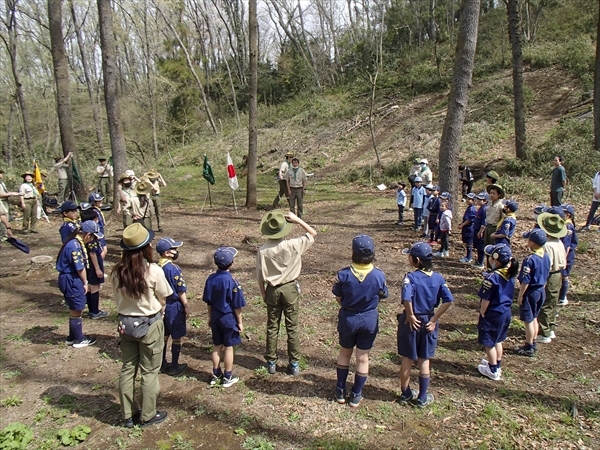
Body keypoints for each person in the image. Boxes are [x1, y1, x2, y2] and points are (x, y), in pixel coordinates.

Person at [112, 223, 171, 428]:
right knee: (149, 370)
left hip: (125, 324)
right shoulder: (153, 271)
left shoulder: (117, 272)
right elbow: (163, 296)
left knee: (128, 369)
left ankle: (128, 415)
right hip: (149, 324)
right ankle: (148, 414)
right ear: (145, 248)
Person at [256, 210, 317, 375]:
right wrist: (298, 220)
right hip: (290, 288)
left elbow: (260, 277)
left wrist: (263, 294)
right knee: (292, 326)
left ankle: (271, 362)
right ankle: (294, 363)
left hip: (272, 289)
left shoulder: (262, 250)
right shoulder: (293, 244)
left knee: (272, 326)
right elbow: (313, 233)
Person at [332, 235, 388, 408]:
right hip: (369, 318)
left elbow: (338, 297)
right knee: (363, 358)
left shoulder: (344, 275)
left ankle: (340, 390)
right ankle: (356, 394)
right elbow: (383, 295)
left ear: (353, 253)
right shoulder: (379, 275)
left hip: (348, 318)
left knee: (345, 352)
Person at [397, 242, 454, 407]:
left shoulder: (411, 277)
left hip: (411, 322)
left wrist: (411, 315)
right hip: (429, 320)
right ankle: (422, 397)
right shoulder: (438, 278)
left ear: (416, 260)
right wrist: (434, 319)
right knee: (424, 359)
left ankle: (405, 392)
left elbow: (407, 298)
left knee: (407, 358)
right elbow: (448, 300)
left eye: (410, 256)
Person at [203, 246, 246, 387]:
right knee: (228, 347)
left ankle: (215, 375)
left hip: (215, 316)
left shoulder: (210, 279)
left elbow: (208, 302)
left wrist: (209, 317)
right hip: (228, 317)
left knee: (216, 346)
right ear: (231, 263)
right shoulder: (233, 281)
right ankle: (228, 376)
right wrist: (239, 322)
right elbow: (237, 305)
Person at [57, 220, 103, 348]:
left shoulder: (75, 242)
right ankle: (79, 339)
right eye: (93, 236)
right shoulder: (75, 246)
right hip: (72, 279)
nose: (92, 240)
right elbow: (79, 267)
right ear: (87, 235)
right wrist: (85, 282)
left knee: (75, 309)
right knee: (77, 308)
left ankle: (72, 337)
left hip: (70, 278)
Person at [477, 243, 519, 381]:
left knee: (489, 342)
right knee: (498, 339)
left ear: (495, 260)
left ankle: (493, 369)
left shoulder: (492, 278)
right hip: (505, 312)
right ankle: (496, 363)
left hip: (493, 313)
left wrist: (483, 312)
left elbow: (486, 298)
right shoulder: (509, 273)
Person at [155, 237, 190, 377]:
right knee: (176, 337)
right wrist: (186, 305)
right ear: (166, 253)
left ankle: (161, 363)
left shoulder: (157, 267)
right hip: (174, 306)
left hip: (161, 305)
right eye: (174, 249)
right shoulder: (173, 269)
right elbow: (180, 289)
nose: (176, 251)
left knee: (164, 335)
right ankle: (174, 365)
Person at [515, 229, 551, 357]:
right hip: (541, 290)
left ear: (534, 243)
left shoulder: (530, 259)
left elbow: (526, 281)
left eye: (529, 240)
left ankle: (529, 346)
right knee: (534, 317)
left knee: (528, 320)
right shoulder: (546, 256)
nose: (527, 241)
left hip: (531, 292)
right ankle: (533, 342)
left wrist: (521, 295)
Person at [535, 210, 567, 344]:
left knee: (545, 303)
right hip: (558, 274)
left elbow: (547, 265)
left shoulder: (547, 245)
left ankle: (544, 332)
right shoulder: (559, 242)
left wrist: (542, 281)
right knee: (552, 302)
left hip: (550, 275)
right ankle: (551, 327)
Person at [558, 205, 578, 306]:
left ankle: (562, 297)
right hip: (564, 253)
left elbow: (567, 245)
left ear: (568, 215)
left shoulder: (568, 226)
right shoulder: (565, 224)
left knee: (564, 275)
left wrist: (563, 259)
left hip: (566, 255)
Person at [481, 184, 505, 249]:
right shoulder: (489, 204)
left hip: (494, 229)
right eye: (490, 193)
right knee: (486, 247)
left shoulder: (500, 206)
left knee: (493, 248)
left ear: (498, 195)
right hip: (487, 227)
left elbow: (503, 219)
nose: (491, 195)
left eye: (494, 193)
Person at [0, 169, 19, 241]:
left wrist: (14, 193)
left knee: (6, 218)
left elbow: (5, 192)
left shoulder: (2, 183)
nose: (1, 175)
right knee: (2, 217)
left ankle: (5, 234)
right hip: (1, 201)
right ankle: (3, 236)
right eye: (0, 173)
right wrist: (11, 194)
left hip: (5, 201)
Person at [471, 192, 489, 270]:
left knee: (481, 247)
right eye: (477, 199)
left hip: (480, 230)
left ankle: (480, 262)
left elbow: (484, 222)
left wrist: (481, 231)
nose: (478, 201)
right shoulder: (480, 208)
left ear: (485, 201)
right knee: (478, 246)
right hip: (476, 229)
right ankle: (478, 261)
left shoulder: (484, 209)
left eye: (480, 199)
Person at [458, 193, 477, 263]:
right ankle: (467, 256)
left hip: (469, 227)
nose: (467, 200)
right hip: (466, 227)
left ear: (473, 200)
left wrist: (462, 225)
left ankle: (469, 257)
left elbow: (469, 220)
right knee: (466, 243)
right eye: (467, 198)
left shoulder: (472, 209)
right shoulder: (469, 207)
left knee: (469, 243)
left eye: (470, 199)